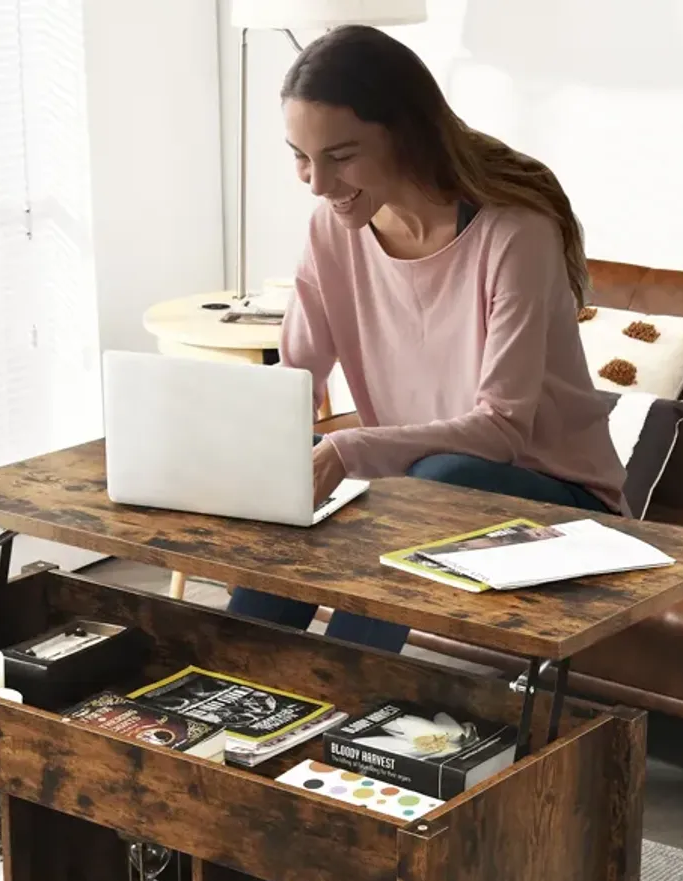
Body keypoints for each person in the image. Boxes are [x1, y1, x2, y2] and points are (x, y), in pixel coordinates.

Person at [227, 24, 627, 654]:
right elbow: (294, 382)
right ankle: (231, 677)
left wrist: (351, 449)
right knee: (299, 459)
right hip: (417, 479)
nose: (316, 184)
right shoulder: (333, 230)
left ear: (405, 134)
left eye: (342, 156)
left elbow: (500, 429)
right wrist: (236, 442)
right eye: (301, 156)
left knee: (418, 480)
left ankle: (350, 693)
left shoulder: (513, 233)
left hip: (557, 497)